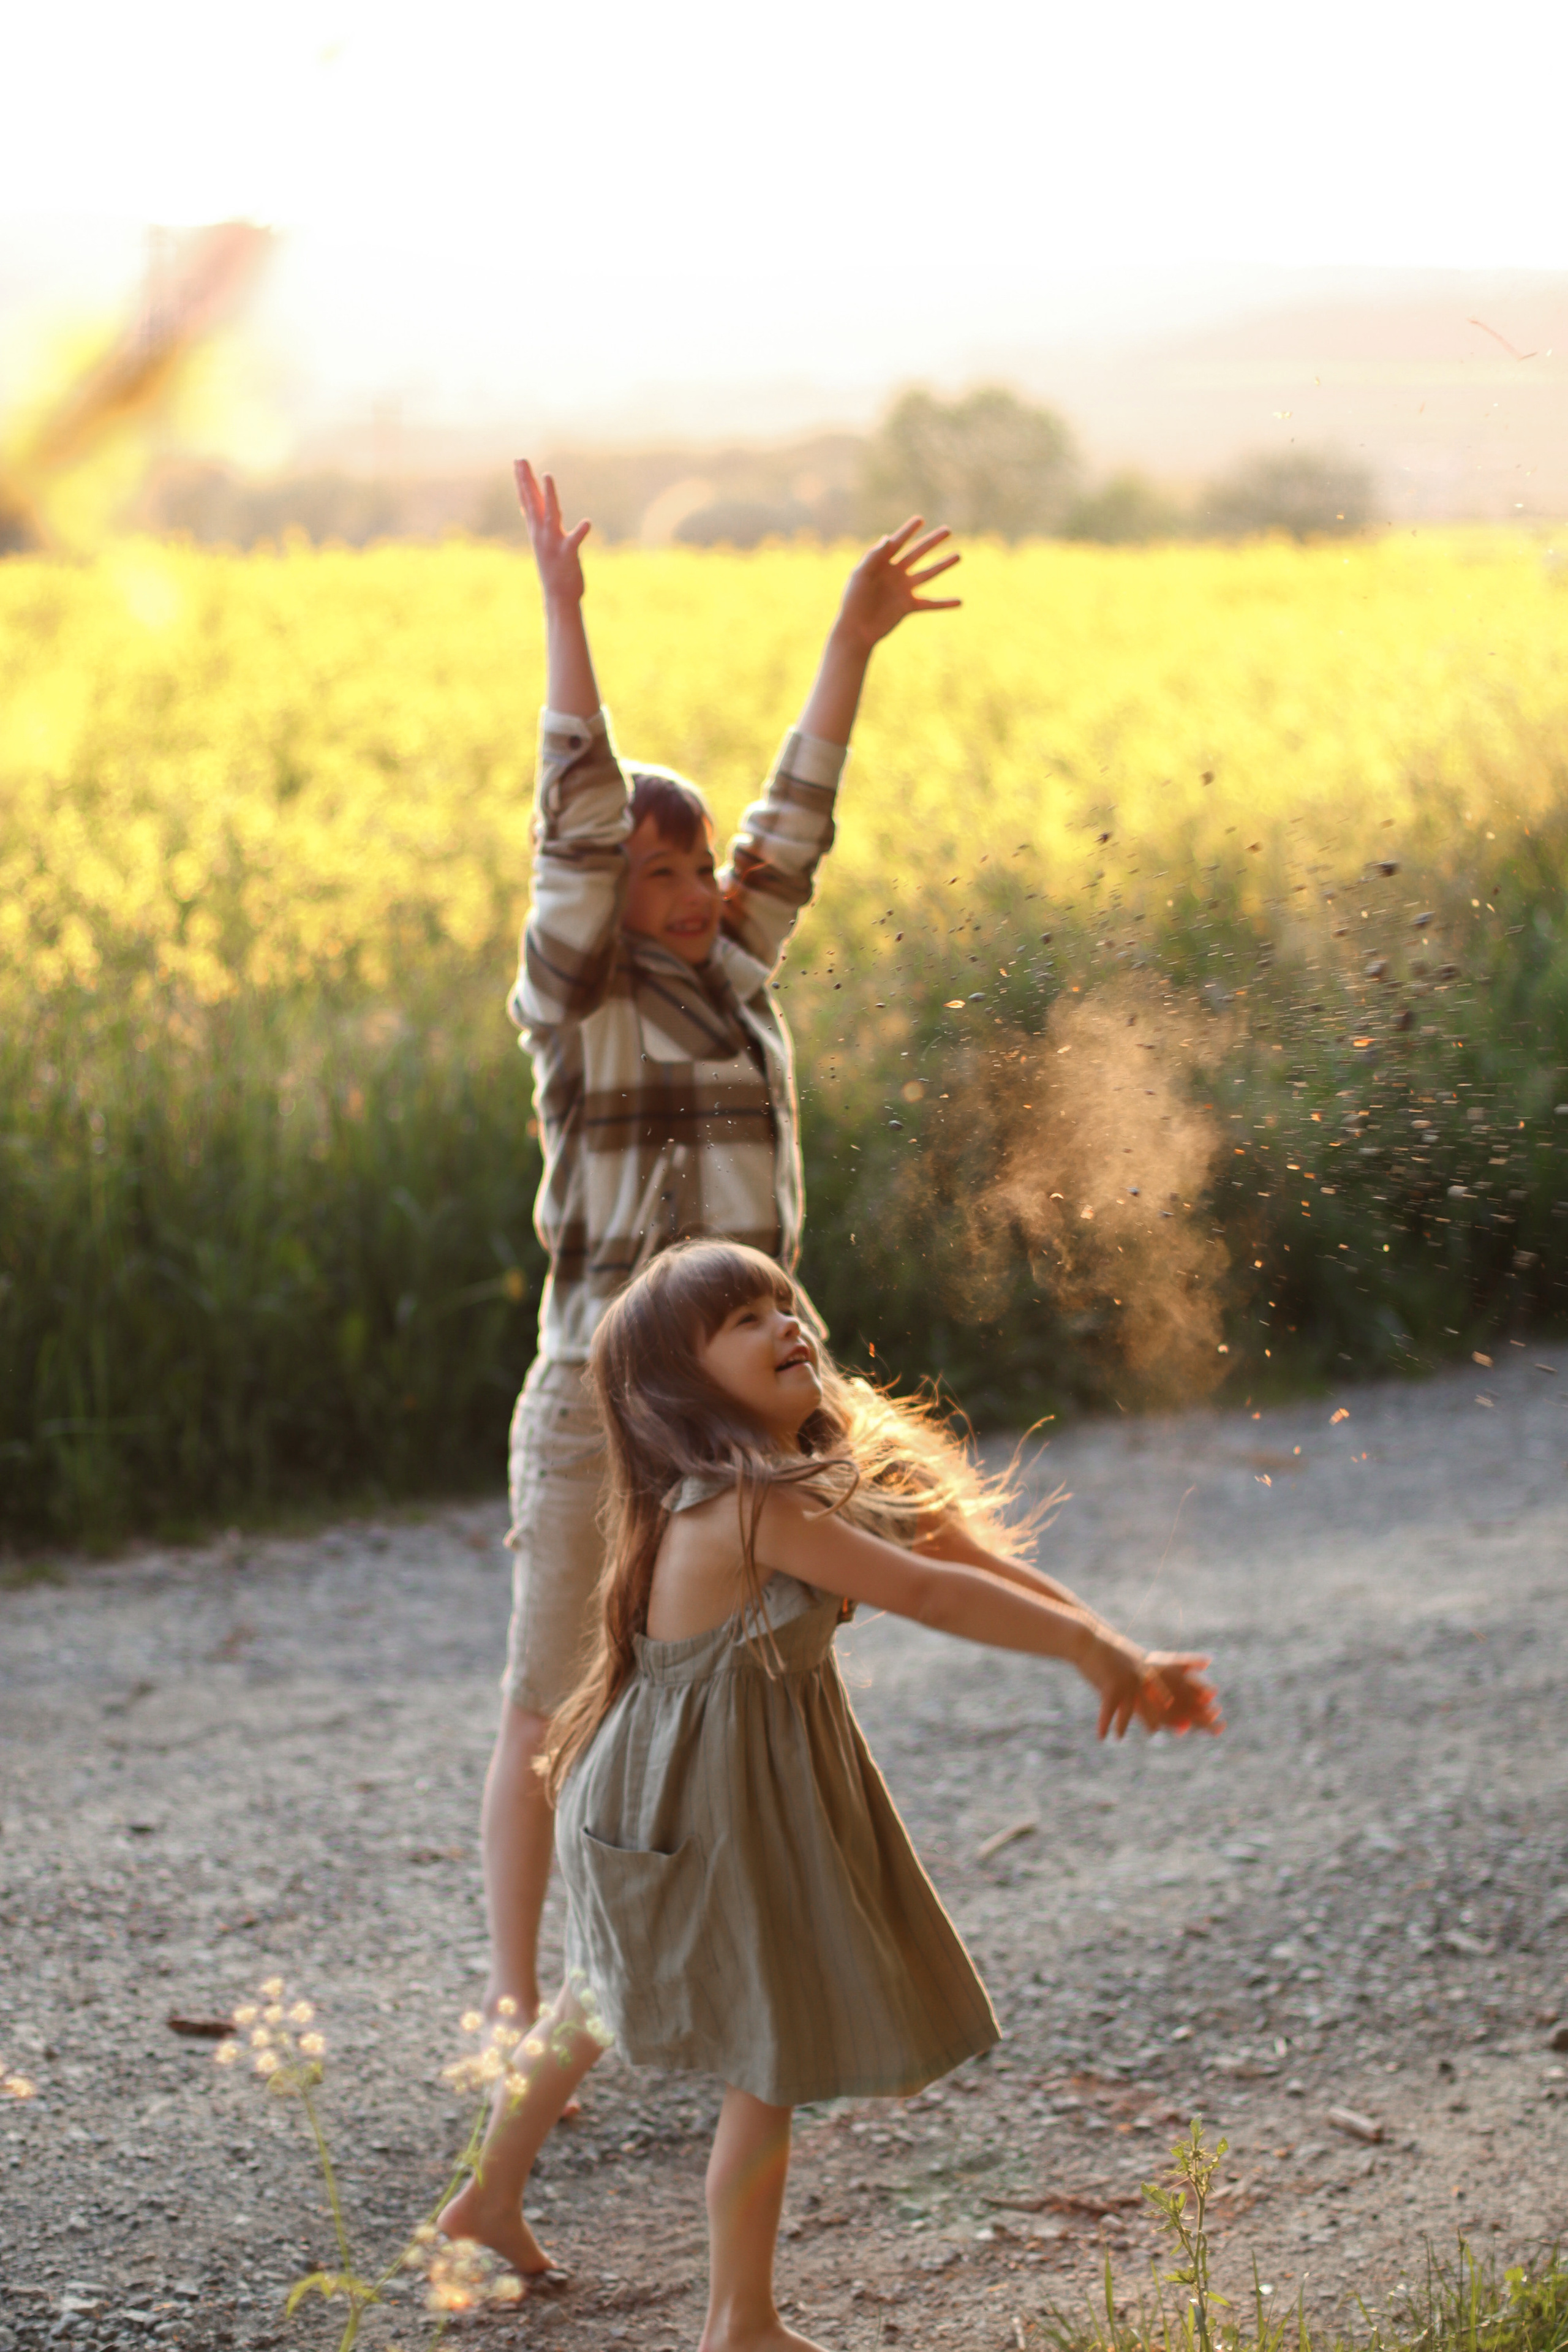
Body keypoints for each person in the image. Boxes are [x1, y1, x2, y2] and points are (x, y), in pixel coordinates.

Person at [442, 1240, 1223, 2349]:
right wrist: (1089, 1652)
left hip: (676, 1793)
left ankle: (486, 2204)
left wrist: (1119, 1651)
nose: (784, 1324)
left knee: (598, 1997)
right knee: (767, 2051)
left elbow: (961, 1557)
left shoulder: (789, 1479)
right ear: (680, 1384)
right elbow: (927, 1594)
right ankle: (738, 2321)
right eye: (743, 1320)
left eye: (782, 1304)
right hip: (691, 1805)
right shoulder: (748, 1504)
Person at [483, 461, 963, 2030]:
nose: (697, 893)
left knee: (734, 1692)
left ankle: (691, 1987)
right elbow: (572, 825)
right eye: (660, 875)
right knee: (555, 1705)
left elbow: (791, 826)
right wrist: (562, 615)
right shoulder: (574, 1005)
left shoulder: (735, 974)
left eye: (700, 870)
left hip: (742, 1407)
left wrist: (850, 640)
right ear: (602, 899)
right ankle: (514, 2018)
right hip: (603, 1405)